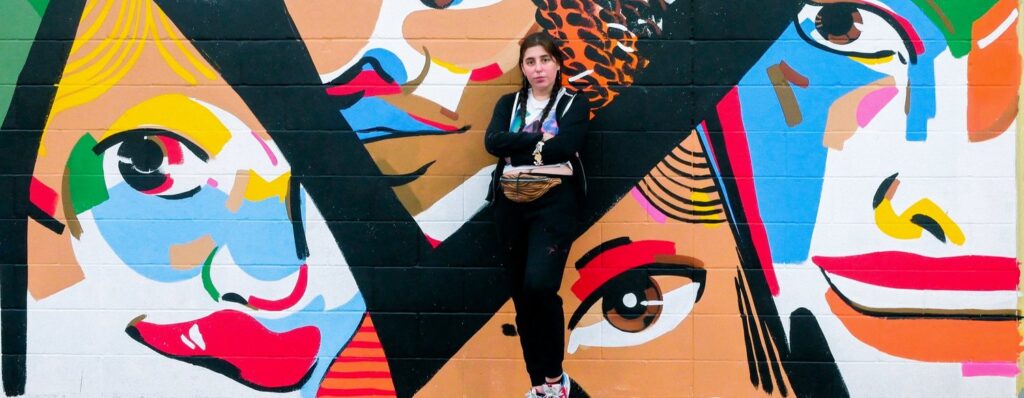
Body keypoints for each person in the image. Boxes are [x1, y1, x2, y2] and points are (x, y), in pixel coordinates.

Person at [485, 32, 590, 398]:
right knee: (521, 297)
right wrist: (540, 143)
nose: (538, 68)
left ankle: (554, 377)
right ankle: (540, 387)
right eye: (530, 62)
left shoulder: (574, 103)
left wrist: (517, 147)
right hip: (509, 205)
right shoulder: (508, 102)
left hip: (555, 204)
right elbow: (491, 142)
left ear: (557, 63)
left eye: (544, 60)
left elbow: (566, 146)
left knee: (540, 286)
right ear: (523, 68)